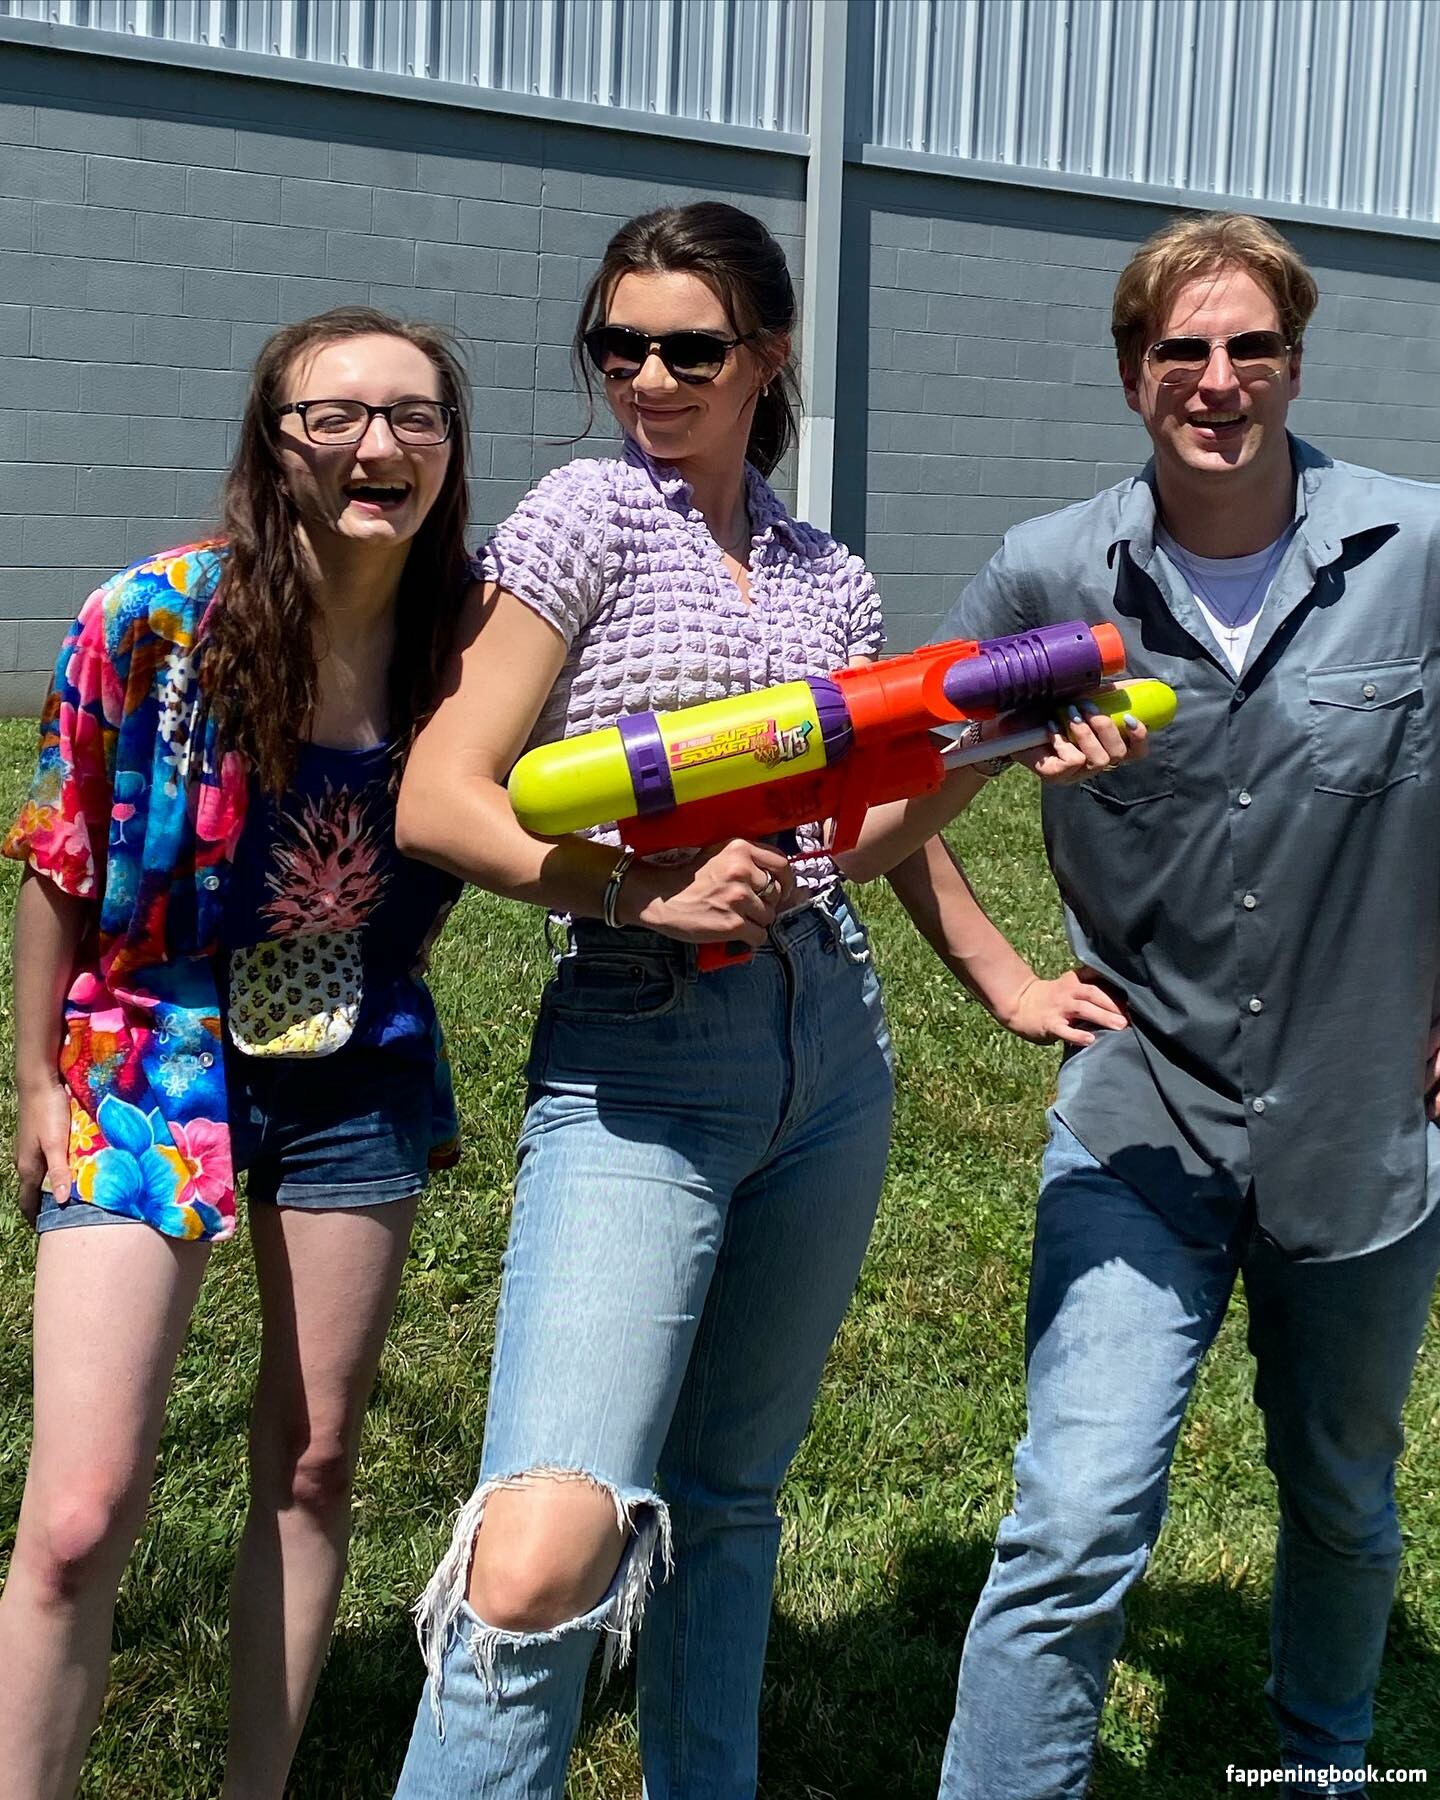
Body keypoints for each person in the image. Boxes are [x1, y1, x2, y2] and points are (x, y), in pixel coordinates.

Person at [389, 201, 1130, 1799]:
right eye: (620, 348)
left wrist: (996, 779)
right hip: (642, 1044)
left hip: (828, 1054)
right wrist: (627, 889)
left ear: (767, 356)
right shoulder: (586, 517)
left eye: (691, 349)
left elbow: (850, 837)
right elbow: (441, 797)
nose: (650, 379)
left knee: (728, 1504)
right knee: (544, 1544)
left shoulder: (826, 576)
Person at [884, 212, 1440, 1800]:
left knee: (1343, 1499)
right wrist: (1001, 969)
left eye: (1251, 346)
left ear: (1295, 364)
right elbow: (893, 791)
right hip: (1143, 1127)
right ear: (1133, 374)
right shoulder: (1052, 576)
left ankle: (1320, 1766)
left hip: (1360, 1130)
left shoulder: (1417, 553)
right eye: (1182, 350)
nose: (1218, 379)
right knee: (1072, 1520)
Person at [0, 306, 470, 1800]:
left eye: (413, 416)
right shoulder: (152, 619)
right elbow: (62, 852)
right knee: (79, 1512)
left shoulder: (471, 642)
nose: (377, 445)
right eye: (336, 416)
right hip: (147, 1051)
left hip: (357, 1059)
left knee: (316, 1462)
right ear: (274, 444)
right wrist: (35, 1083)